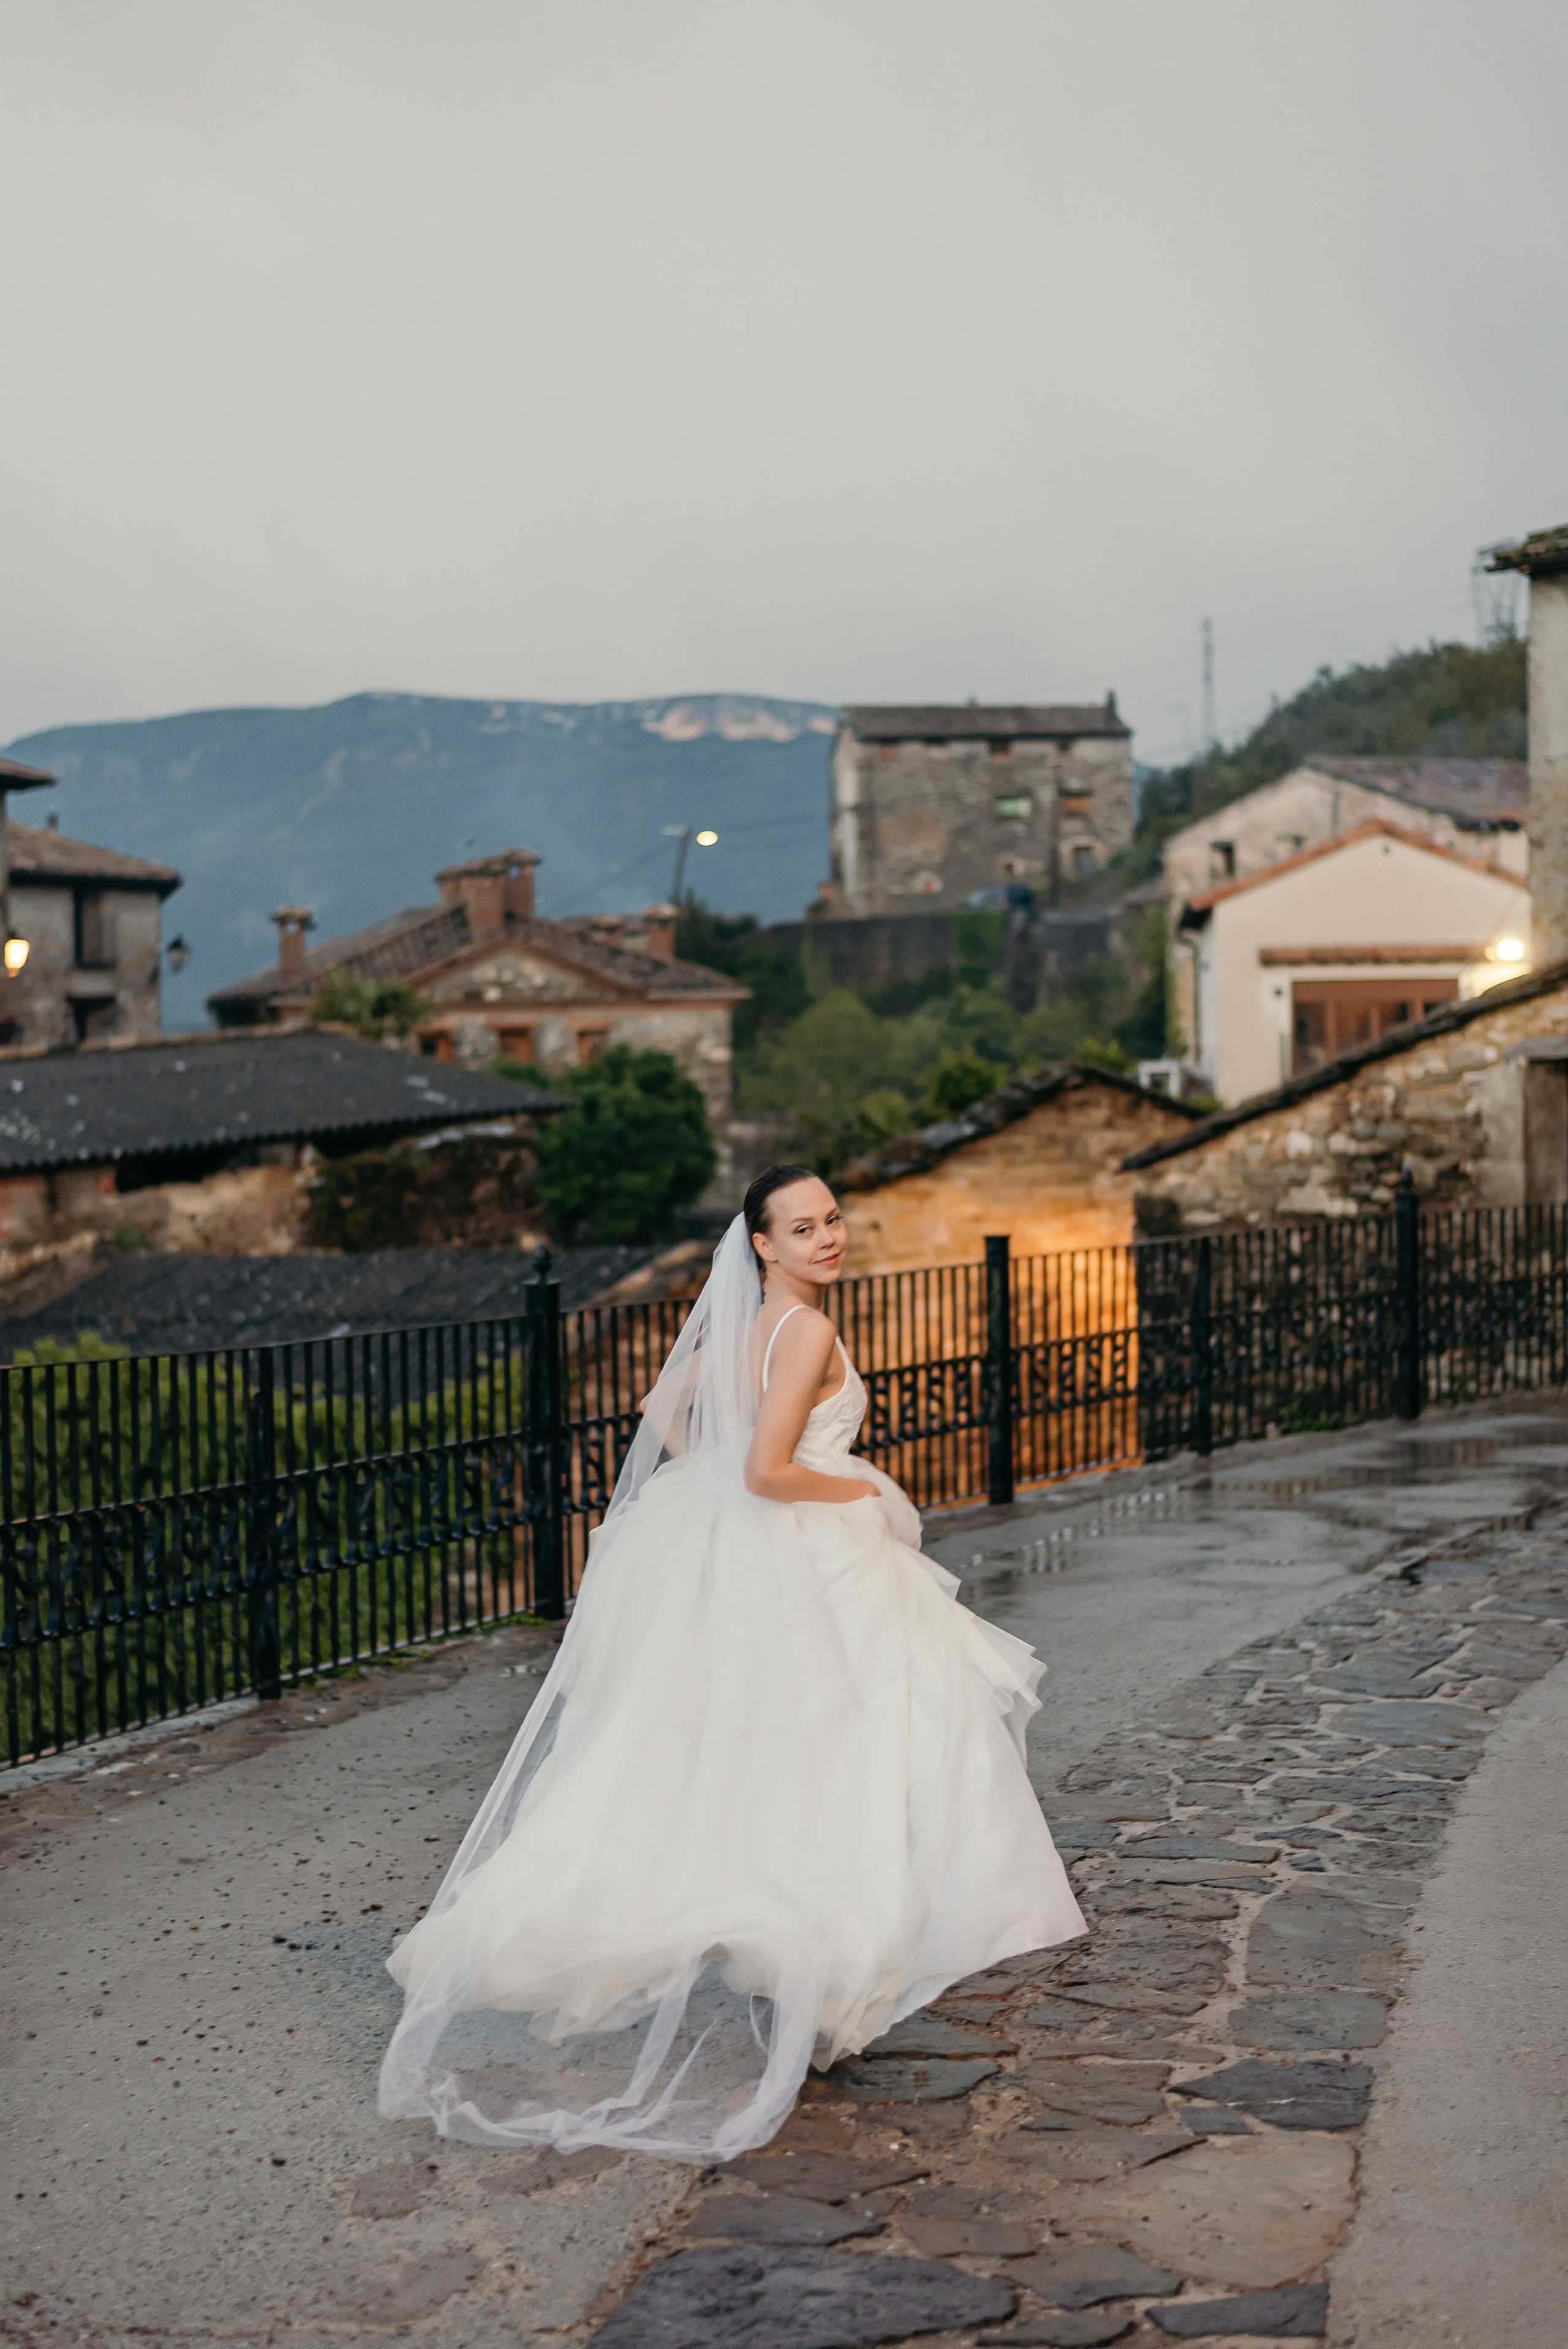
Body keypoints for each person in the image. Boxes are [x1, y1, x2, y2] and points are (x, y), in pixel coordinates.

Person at [379, 1166, 1084, 2160]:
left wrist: (724, 1481)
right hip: (817, 1553)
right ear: (763, 1244)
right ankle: (843, 1961)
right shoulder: (810, 1333)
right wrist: (860, 1501)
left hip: (768, 1562)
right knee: (892, 1745)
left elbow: (668, 1412)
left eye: (833, 1219)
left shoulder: (739, 1329)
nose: (827, 1239)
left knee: (774, 1766)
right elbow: (766, 1470)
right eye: (803, 1228)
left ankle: (815, 1972)